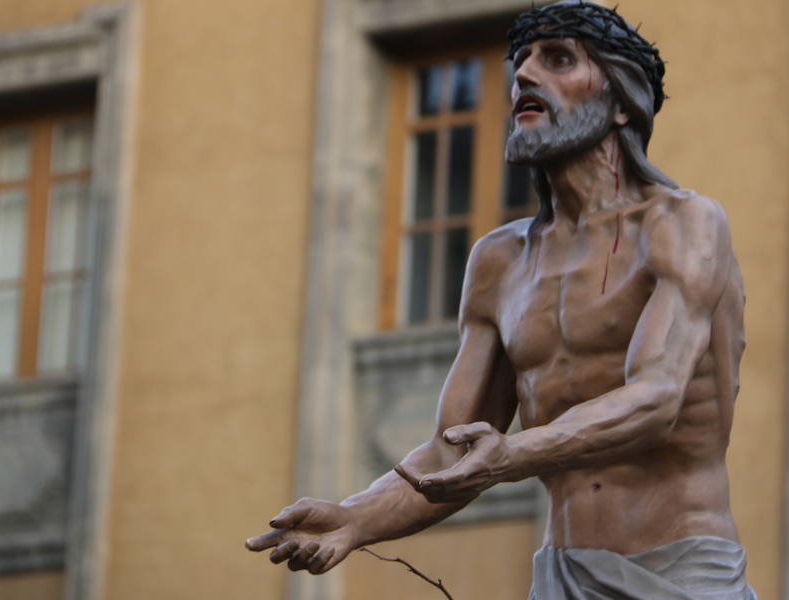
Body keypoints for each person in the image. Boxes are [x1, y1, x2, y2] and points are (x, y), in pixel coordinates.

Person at [247, 2, 756, 597]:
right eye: (521, 62)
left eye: (558, 59)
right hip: (562, 575)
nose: (523, 76)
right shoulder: (500, 260)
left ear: (623, 102)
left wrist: (512, 455)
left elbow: (656, 398)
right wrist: (356, 517)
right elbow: (454, 447)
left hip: (681, 569)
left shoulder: (684, 224)